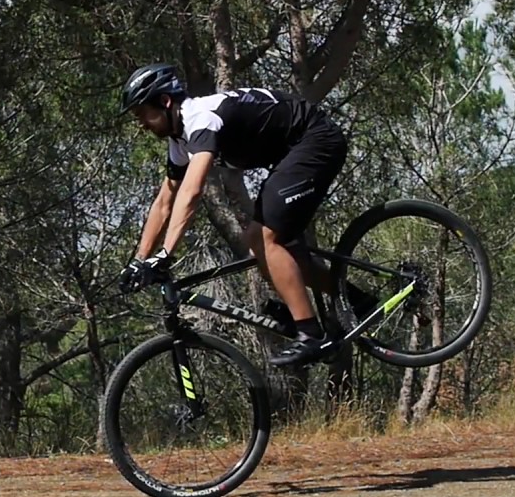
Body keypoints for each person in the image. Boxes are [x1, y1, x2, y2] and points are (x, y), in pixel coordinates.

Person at [116, 62, 358, 366]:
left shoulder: (200, 119)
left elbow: (191, 193)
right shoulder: (180, 141)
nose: (141, 123)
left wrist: (165, 254)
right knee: (278, 254)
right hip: (291, 152)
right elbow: (165, 201)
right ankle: (357, 302)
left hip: (315, 139)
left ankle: (312, 337)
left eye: (142, 114)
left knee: (261, 238)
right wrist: (138, 261)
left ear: (165, 102)